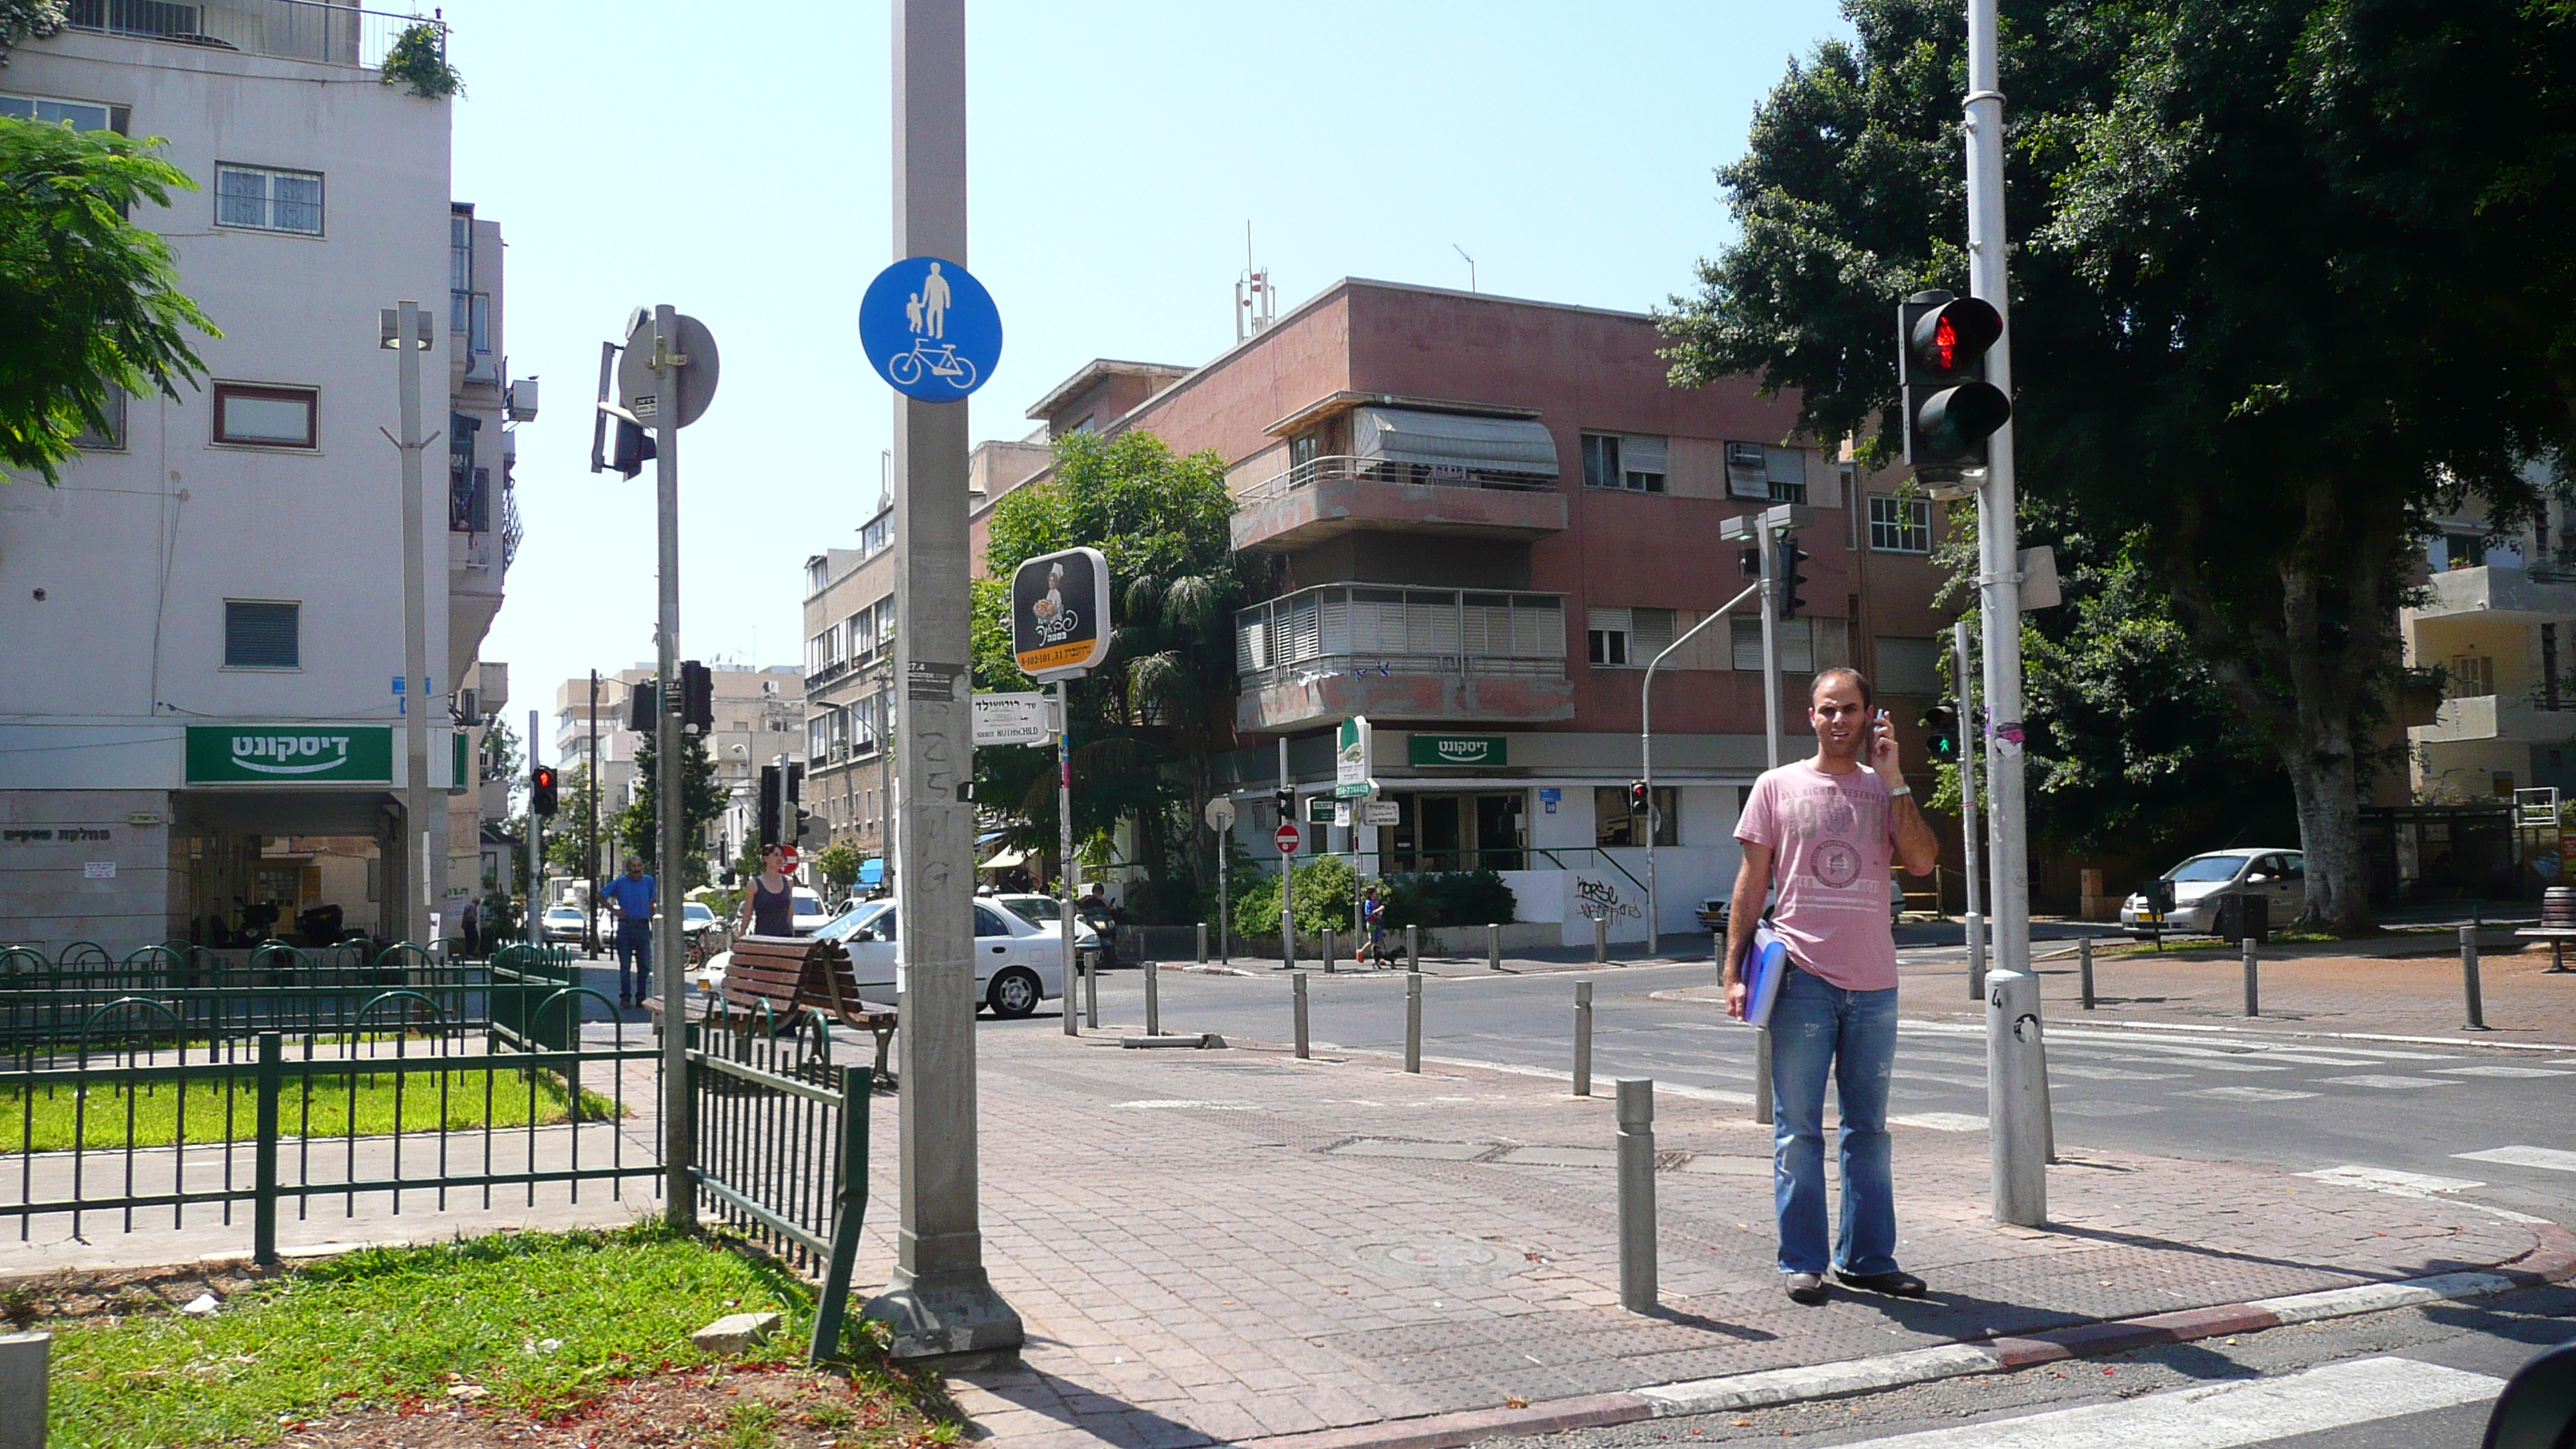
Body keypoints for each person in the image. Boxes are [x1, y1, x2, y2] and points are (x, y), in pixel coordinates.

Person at [1725, 666, 1940, 1307]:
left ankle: (1869, 1259)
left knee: (1868, 1131)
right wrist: (1733, 971)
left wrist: (1895, 776)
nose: (1838, 719)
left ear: (1872, 715)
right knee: (1798, 1131)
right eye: (1827, 709)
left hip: (1875, 985)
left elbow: (1925, 860)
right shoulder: (1776, 786)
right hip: (1801, 981)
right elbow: (1751, 884)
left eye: (1850, 708)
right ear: (1810, 716)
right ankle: (1804, 1260)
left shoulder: (1885, 791)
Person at [599, 856, 658, 1009]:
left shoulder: (649, 881)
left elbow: (652, 903)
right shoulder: (620, 882)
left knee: (644, 964)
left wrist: (654, 923)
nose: (637, 869)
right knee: (625, 965)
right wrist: (613, 910)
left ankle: (641, 996)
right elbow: (600, 895)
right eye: (633, 866)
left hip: (643, 925)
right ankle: (625, 997)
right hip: (625, 926)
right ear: (628, 868)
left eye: (639, 865)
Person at [741, 844, 796, 938]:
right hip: (763, 938)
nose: (779, 859)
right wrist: (742, 934)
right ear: (766, 859)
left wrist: (793, 934)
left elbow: (790, 912)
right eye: (776, 855)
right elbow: (747, 913)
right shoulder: (754, 884)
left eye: (781, 856)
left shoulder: (788, 882)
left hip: (785, 937)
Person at [1360, 882, 1389, 964]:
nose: (1376, 893)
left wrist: (1380, 913)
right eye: (1375, 892)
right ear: (1372, 894)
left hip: (1377, 923)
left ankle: (1380, 958)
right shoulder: (1368, 903)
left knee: (1379, 942)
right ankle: (1362, 952)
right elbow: (1368, 913)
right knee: (1372, 942)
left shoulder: (1375, 901)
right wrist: (1379, 909)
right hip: (1371, 924)